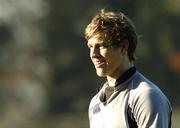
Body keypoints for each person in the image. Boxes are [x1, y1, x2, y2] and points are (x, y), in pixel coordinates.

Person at [84, 9, 172, 128]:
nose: (93, 54)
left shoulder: (146, 96)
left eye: (101, 46)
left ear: (123, 46)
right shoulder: (96, 101)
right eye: (90, 46)